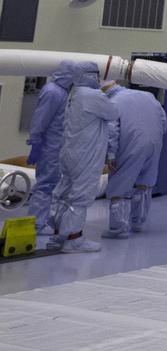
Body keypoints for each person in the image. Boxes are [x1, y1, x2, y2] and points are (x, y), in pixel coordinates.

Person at [48, 61, 116, 253]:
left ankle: (58, 235)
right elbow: (113, 113)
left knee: (63, 194)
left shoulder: (74, 93)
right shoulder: (93, 95)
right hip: (86, 155)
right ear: (90, 75)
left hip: (69, 152)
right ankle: (74, 240)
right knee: (80, 197)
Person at [102, 86, 167, 238]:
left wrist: (110, 154)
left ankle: (118, 228)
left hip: (131, 144)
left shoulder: (114, 101)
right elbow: (163, 122)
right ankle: (138, 222)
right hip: (154, 143)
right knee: (144, 184)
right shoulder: (149, 97)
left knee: (119, 185)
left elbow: (112, 130)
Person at [26, 62, 77, 237]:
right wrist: (35, 143)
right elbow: (40, 119)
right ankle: (36, 224)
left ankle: (42, 219)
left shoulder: (62, 92)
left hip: (56, 147)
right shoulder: (53, 92)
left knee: (52, 184)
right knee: (45, 184)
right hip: (50, 147)